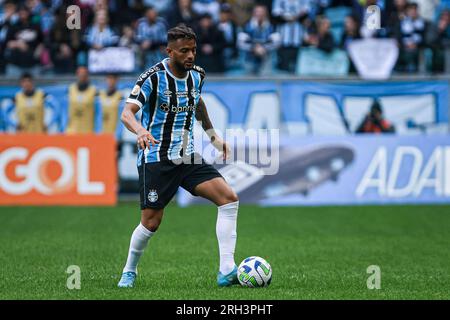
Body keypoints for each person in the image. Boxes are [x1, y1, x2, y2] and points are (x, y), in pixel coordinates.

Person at [117, 24, 239, 288]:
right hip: (156, 159)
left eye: (193, 50)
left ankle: (227, 270)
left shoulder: (198, 75)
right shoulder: (152, 77)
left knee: (228, 199)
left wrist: (212, 135)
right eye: (184, 51)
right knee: (151, 223)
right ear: (169, 51)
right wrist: (139, 130)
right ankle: (129, 270)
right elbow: (127, 113)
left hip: (186, 156)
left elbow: (197, 101)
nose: (191, 56)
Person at [66, 66, 98, 134]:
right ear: (77, 75)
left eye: (84, 75)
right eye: (80, 74)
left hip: (88, 132)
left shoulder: (94, 91)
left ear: (87, 76)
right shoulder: (70, 89)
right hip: (72, 132)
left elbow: (98, 113)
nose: (82, 76)